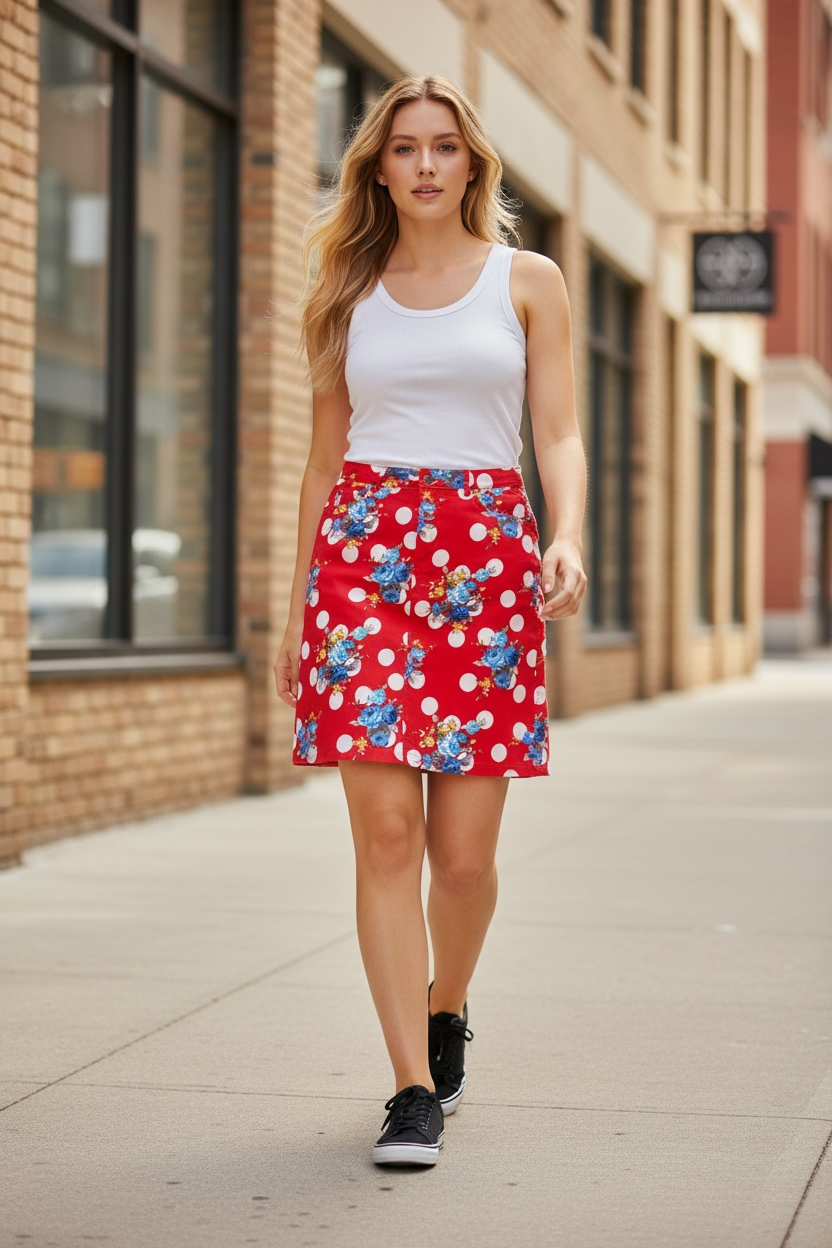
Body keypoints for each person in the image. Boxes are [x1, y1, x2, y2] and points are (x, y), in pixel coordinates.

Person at [274, 74, 586, 1166]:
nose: (419, 165)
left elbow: (557, 434)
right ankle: (409, 1085)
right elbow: (322, 463)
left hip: (483, 558)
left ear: (470, 163)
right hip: (363, 562)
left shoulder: (527, 279)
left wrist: (565, 531)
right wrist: (296, 607)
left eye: (440, 148)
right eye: (400, 148)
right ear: (377, 166)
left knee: (460, 859)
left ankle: (448, 1004)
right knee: (386, 836)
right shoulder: (345, 288)